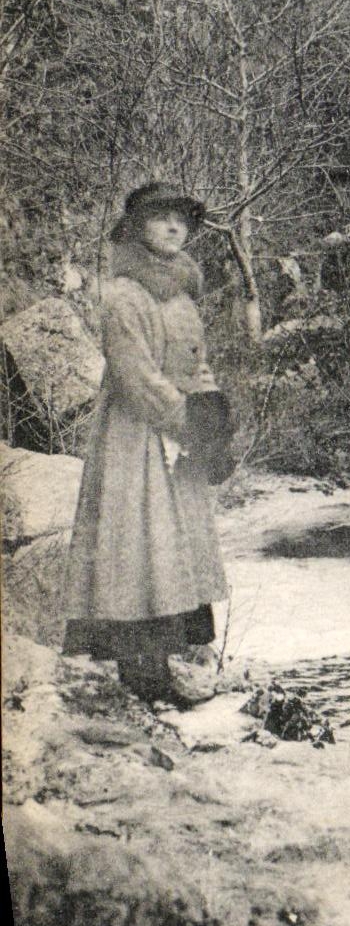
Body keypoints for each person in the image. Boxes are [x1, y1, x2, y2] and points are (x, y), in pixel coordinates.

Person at [62, 182, 229, 705]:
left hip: (177, 442)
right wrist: (188, 419)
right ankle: (139, 668)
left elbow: (195, 364)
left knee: (172, 547)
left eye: (182, 220)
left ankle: (162, 664)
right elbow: (136, 376)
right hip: (134, 438)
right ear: (137, 228)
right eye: (161, 219)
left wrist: (212, 410)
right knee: (135, 545)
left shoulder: (182, 295)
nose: (174, 228)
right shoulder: (121, 295)